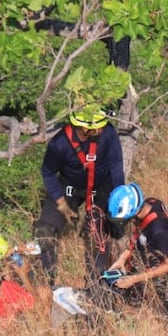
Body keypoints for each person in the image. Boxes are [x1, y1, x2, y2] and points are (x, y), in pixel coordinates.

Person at [34, 104, 126, 286]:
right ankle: (48, 280)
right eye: (97, 126)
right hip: (70, 185)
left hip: (101, 183)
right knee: (44, 230)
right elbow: (48, 173)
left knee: (98, 230)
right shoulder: (59, 144)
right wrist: (61, 203)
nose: (102, 128)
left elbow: (116, 165)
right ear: (85, 128)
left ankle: (97, 282)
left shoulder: (108, 133)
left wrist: (118, 198)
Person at [104, 182, 168, 325]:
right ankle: (133, 303)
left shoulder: (158, 232)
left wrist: (136, 279)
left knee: (163, 292)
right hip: (148, 244)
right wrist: (123, 258)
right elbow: (138, 231)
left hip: (160, 256)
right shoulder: (148, 204)